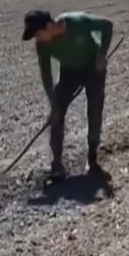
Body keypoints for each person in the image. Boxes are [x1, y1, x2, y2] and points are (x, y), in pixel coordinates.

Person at [22, 9, 113, 180]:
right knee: (56, 114)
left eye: (38, 34)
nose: (37, 39)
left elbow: (107, 25)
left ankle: (92, 160)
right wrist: (53, 101)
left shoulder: (76, 22)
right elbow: (46, 73)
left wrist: (102, 54)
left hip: (94, 68)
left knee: (94, 110)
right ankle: (56, 163)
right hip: (69, 71)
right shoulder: (42, 45)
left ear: (49, 27)